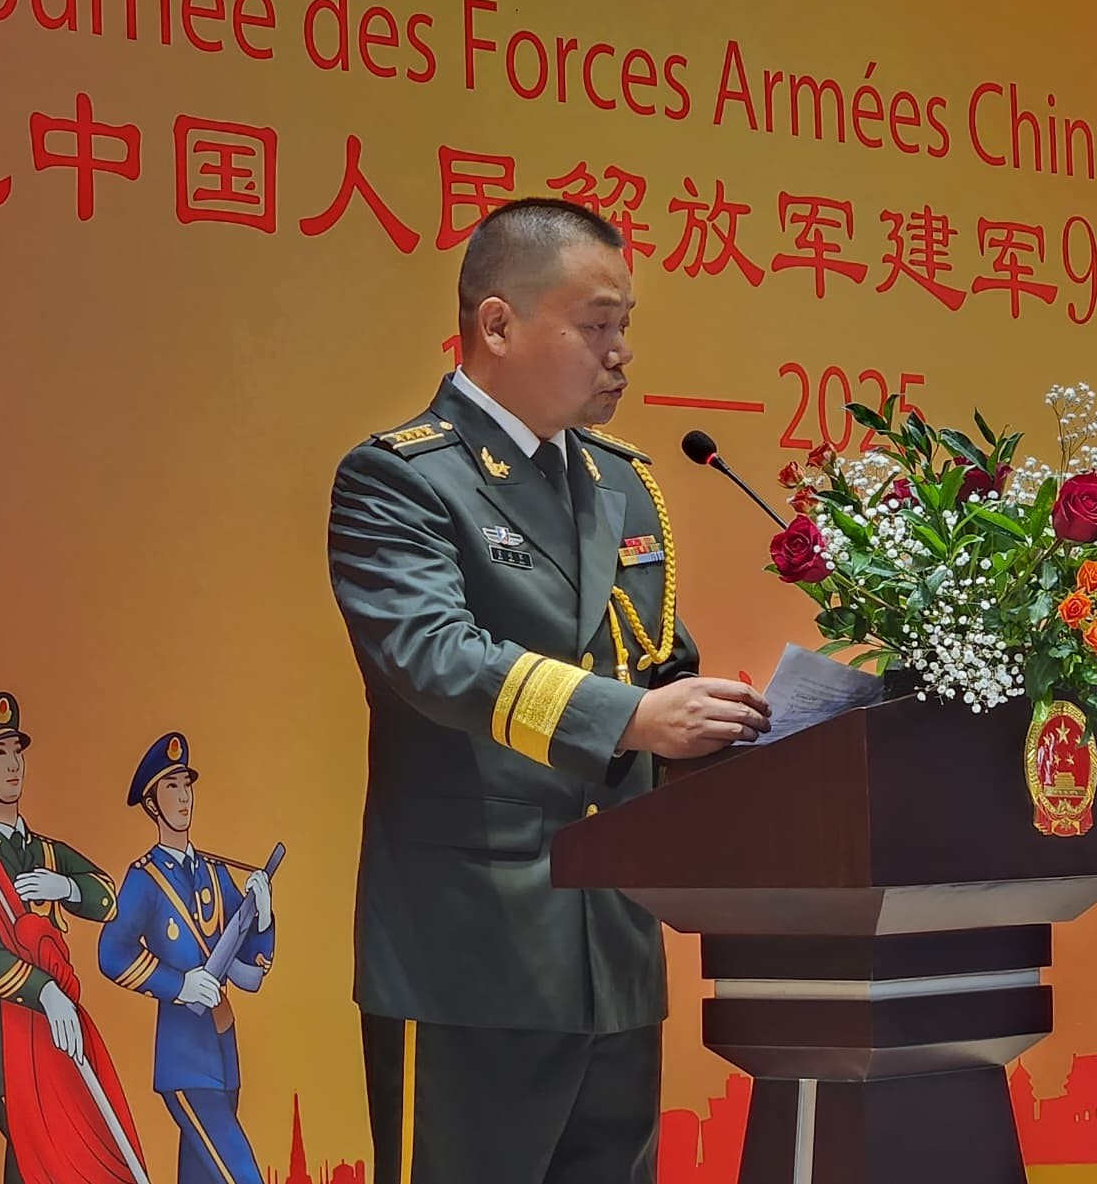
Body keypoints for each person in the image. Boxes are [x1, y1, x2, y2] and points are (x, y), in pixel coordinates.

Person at [329, 196, 770, 1184]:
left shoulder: (620, 483)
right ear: (498, 324)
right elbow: (434, 656)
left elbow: (656, 664)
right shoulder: (402, 480)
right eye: (597, 324)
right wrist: (634, 718)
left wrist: (761, 729)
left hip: (612, 954)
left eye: (626, 326)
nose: (621, 353)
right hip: (467, 956)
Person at [0, 690, 118, 1184]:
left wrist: (67, 887)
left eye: (17, 751)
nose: (14, 764)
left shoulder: (47, 853)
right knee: (44, 1164)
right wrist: (48, 993)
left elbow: (107, 898)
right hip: (9, 1050)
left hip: (58, 1048)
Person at [100, 731, 278, 1184]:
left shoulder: (216, 873)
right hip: (185, 1056)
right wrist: (179, 985)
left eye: (186, 785)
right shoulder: (145, 879)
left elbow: (250, 971)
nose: (183, 797)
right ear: (152, 804)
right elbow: (112, 953)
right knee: (241, 1174)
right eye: (171, 787)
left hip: (223, 1049)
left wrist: (263, 917)